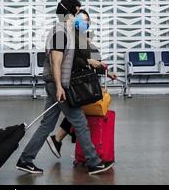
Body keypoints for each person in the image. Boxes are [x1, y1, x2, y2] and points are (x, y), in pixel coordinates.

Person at [16, 0, 114, 175]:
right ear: (72, 12)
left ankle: (25, 160)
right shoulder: (59, 33)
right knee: (79, 122)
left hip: (58, 84)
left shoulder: (66, 32)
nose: (79, 15)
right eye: (78, 11)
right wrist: (60, 87)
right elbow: (56, 62)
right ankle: (94, 162)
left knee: (47, 125)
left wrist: (99, 65)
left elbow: (74, 60)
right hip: (58, 85)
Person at [46, 10, 117, 157]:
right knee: (77, 116)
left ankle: (63, 143)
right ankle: (79, 151)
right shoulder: (69, 37)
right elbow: (73, 61)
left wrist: (106, 71)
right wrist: (89, 62)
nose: (85, 23)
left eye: (87, 20)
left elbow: (92, 61)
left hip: (82, 82)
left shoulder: (84, 39)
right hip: (74, 83)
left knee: (76, 115)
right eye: (82, 19)